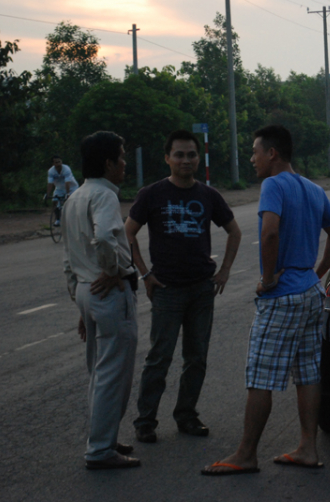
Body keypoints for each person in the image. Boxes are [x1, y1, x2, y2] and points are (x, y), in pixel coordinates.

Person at [202, 125, 330, 476]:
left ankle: (246, 454)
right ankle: (308, 448)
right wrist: (317, 273)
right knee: (308, 372)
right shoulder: (313, 188)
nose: (252, 159)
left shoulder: (273, 185)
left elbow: (269, 232)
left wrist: (268, 279)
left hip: (281, 296)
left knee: (261, 376)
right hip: (311, 293)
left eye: (254, 152)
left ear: (273, 154)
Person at [127, 129, 242, 444]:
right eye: (179, 154)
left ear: (198, 157)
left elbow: (235, 231)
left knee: (196, 357)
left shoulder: (208, 195)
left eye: (191, 154)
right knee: (159, 356)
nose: (186, 160)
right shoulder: (151, 194)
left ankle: (187, 416)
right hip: (166, 289)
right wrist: (145, 274)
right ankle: (145, 421)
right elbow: (128, 233)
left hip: (202, 288)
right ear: (167, 158)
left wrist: (225, 270)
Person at [62, 131, 140, 470]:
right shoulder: (104, 197)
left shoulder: (75, 197)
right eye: (121, 158)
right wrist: (118, 269)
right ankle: (100, 450)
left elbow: (68, 257)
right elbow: (106, 237)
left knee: (99, 369)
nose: (124, 164)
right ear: (108, 163)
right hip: (108, 290)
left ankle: (103, 438)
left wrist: (81, 304)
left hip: (85, 289)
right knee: (114, 372)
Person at [45, 155, 79, 226]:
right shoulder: (51, 171)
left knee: (71, 202)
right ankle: (58, 219)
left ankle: (75, 217)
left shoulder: (66, 169)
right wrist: (47, 194)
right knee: (54, 202)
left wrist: (67, 193)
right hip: (59, 188)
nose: (58, 163)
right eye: (56, 162)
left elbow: (67, 182)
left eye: (59, 161)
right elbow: (50, 183)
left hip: (71, 188)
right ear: (53, 164)